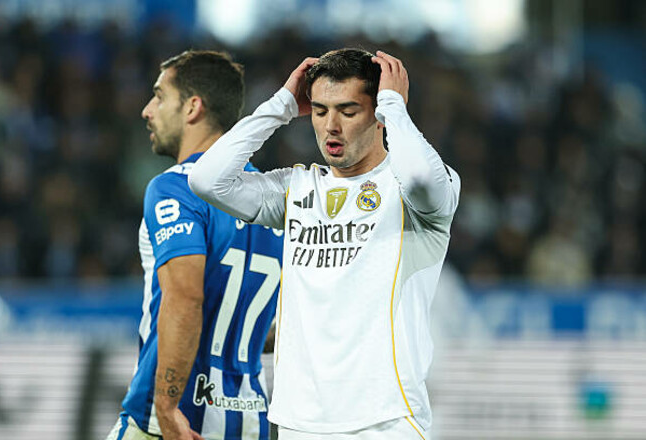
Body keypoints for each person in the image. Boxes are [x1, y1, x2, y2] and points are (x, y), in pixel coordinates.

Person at [188, 48, 460, 439]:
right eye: (319, 111)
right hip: (299, 422)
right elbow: (206, 180)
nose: (331, 126)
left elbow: (419, 177)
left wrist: (395, 107)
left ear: (378, 114)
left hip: (386, 420)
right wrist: (281, 106)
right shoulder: (296, 189)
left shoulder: (412, 192)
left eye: (348, 111)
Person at [106, 50, 283, 440]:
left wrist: (166, 407)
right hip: (248, 423)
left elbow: (186, 298)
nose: (147, 110)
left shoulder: (176, 187)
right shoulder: (273, 200)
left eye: (159, 96)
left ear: (192, 107)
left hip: (173, 423)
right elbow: (259, 321)